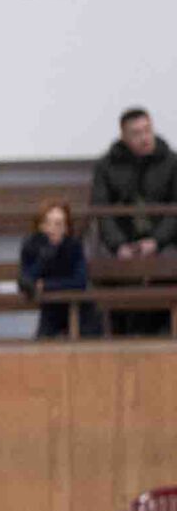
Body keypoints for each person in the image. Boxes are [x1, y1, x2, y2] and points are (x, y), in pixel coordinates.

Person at [89, 107, 176, 336]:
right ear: (124, 136)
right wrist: (118, 245)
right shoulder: (106, 166)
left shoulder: (171, 162)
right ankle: (122, 336)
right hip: (122, 242)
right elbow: (102, 211)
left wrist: (156, 241)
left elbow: (174, 211)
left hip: (165, 241)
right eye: (136, 133)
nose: (145, 138)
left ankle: (163, 333)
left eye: (147, 130)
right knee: (111, 268)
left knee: (166, 266)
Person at [19, 201, 100, 340]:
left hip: (80, 309)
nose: (52, 229)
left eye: (58, 224)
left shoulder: (74, 246)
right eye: (47, 223)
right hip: (50, 308)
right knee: (44, 341)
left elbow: (80, 282)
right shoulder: (31, 245)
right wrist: (43, 259)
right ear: (40, 226)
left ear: (66, 228)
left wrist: (46, 285)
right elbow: (26, 280)